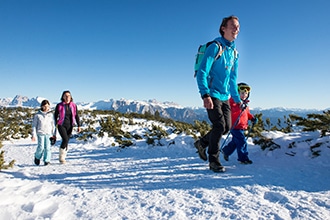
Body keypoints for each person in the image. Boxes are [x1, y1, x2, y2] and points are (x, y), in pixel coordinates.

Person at [195, 15, 243, 172]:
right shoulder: (215, 47)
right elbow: (203, 71)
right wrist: (205, 94)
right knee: (219, 125)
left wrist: (236, 99)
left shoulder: (234, 53)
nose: (236, 29)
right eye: (233, 26)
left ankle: (202, 143)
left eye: (238, 27)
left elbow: (232, 79)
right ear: (223, 28)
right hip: (212, 94)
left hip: (225, 96)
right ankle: (213, 160)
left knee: (226, 127)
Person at [222, 83, 257, 164]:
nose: (244, 95)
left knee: (235, 141)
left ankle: (226, 151)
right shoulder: (233, 102)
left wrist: (252, 118)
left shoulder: (245, 104)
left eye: (246, 93)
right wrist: (238, 105)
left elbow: (247, 113)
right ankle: (243, 158)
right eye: (242, 93)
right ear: (236, 93)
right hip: (234, 126)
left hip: (241, 126)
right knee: (242, 141)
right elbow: (231, 108)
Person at [54, 90, 81, 164]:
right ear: (63, 97)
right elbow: (55, 115)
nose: (67, 97)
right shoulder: (59, 105)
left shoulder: (74, 105)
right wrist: (55, 123)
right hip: (61, 124)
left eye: (69, 95)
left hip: (70, 125)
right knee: (65, 139)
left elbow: (76, 115)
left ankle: (63, 156)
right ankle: (61, 157)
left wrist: (79, 125)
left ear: (71, 97)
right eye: (65, 96)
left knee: (67, 141)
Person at [32, 99, 56, 166]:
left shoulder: (51, 115)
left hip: (48, 133)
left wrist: (54, 134)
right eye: (44, 106)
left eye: (48, 106)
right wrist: (33, 135)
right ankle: (37, 157)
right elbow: (34, 126)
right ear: (42, 106)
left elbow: (53, 125)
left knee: (47, 148)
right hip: (40, 133)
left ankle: (47, 160)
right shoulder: (37, 115)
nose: (46, 108)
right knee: (41, 147)